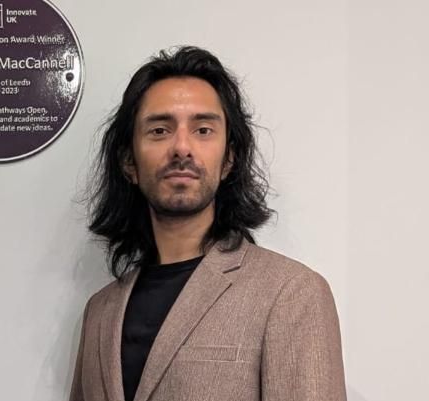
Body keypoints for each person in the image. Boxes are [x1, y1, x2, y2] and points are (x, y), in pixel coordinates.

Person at [69, 47, 346, 401]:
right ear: (129, 162)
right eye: (159, 130)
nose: (182, 148)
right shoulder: (100, 312)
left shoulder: (291, 294)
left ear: (229, 158)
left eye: (202, 129)